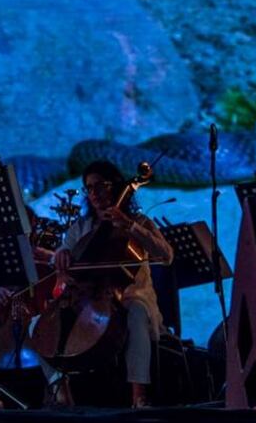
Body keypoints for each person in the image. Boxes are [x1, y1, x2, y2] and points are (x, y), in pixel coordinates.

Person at [44, 160, 174, 409]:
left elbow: (167, 256)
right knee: (39, 327)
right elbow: (63, 257)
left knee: (135, 313)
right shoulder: (80, 227)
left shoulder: (139, 221)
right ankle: (59, 387)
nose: (94, 193)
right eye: (89, 188)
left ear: (115, 186)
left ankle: (139, 395)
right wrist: (60, 253)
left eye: (100, 186)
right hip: (88, 302)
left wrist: (128, 225)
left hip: (132, 299)